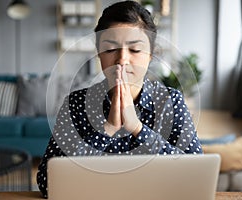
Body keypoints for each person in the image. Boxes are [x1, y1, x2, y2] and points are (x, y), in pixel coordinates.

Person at [37, 1, 202, 198]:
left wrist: (138, 129)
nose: (122, 59)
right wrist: (107, 130)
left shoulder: (171, 102)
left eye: (135, 50)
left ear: (151, 54)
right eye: (110, 49)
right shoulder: (77, 104)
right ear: (99, 53)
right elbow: (48, 183)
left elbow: (195, 178)